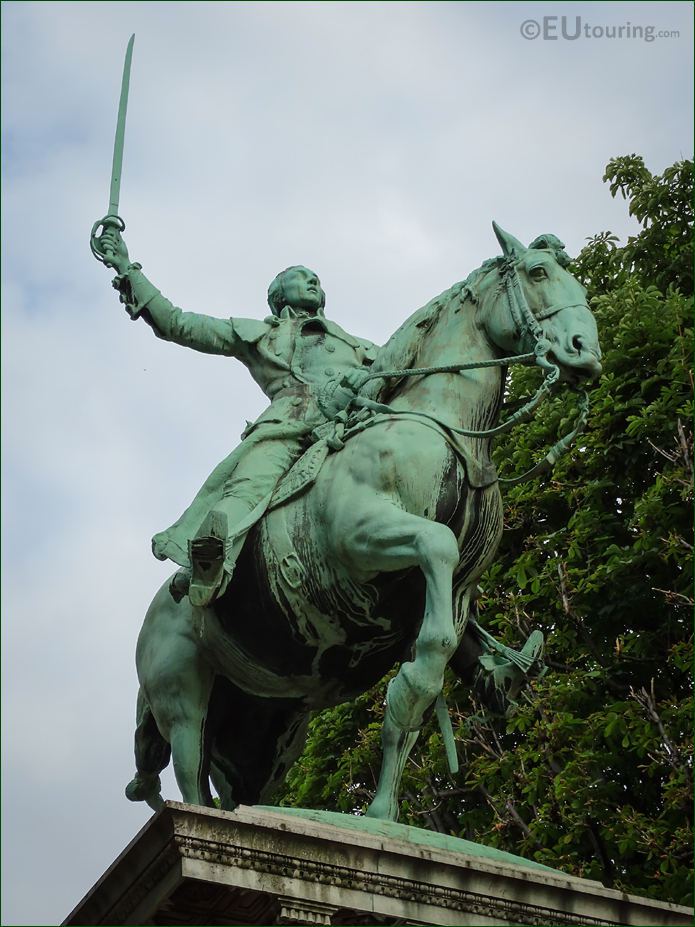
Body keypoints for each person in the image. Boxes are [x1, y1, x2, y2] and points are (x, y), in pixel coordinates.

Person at [95, 228, 377, 605]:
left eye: (316, 279)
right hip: (291, 422)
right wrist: (127, 269)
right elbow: (177, 323)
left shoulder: (359, 345)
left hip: (356, 417)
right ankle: (211, 560)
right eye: (301, 276)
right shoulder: (256, 333)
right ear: (279, 296)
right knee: (248, 485)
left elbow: (401, 364)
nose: (312, 280)